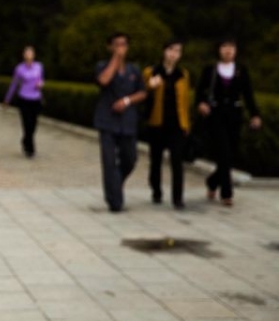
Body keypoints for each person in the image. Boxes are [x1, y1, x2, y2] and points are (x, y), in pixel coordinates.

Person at [195, 38, 261, 206]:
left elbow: (248, 94)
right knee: (223, 152)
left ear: (236, 50)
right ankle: (227, 193)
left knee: (230, 154)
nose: (228, 50)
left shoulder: (241, 70)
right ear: (219, 49)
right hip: (216, 115)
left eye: (231, 47)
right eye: (225, 46)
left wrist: (255, 114)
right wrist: (201, 104)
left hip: (234, 115)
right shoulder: (210, 70)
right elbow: (200, 91)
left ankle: (212, 181)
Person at [94, 32, 146, 212]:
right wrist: (116, 59)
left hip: (127, 121)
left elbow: (142, 92)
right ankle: (115, 201)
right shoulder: (102, 66)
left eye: (123, 44)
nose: (120, 48)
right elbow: (103, 80)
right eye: (116, 44)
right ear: (110, 47)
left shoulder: (134, 70)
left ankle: (115, 183)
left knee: (130, 158)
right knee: (109, 162)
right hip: (107, 121)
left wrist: (127, 101)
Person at [143, 39, 190, 209]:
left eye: (177, 51)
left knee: (177, 162)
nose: (173, 54)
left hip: (176, 125)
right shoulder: (151, 72)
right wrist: (150, 86)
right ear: (164, 51)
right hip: (157, 123)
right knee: (155, 161)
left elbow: (185, 101)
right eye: (170, 49)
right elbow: (141, 93)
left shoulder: (183, 74)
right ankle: (156, 190)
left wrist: (186, 124)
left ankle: (178, 198)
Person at [4, 45, 45, 157]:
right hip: (24, 98)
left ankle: (25, 140)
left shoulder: (39, 67)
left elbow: (41, 79)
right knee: (27, 123)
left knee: (33, 124)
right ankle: (30, 149)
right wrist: (8, 98)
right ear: (24, 55)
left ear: (34, 55)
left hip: (36, 98)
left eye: (31, 53)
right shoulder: (20, 68)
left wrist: (41, 84)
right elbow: (14, 84)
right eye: (27, 53)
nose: (29, 55)